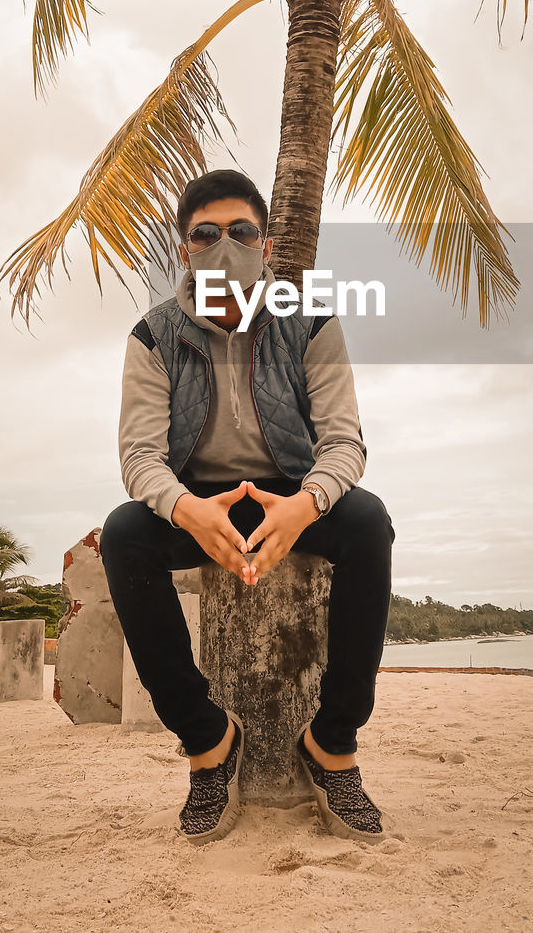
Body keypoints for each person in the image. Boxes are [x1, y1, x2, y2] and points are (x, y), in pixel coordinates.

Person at [99, 169, 395, 845]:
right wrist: (186, 510)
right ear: (184, 248)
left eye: (241, 231)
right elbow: (138, 458)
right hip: (197, 501)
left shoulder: (311, 320)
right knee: (123, 533)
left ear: (264, 245)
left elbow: (345, 443)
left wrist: (303, 505)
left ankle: (333, 740)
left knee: (368, 521)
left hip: (291, 494)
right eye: (204, 233)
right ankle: (207, 743)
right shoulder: (152, 336)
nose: (223, 244)